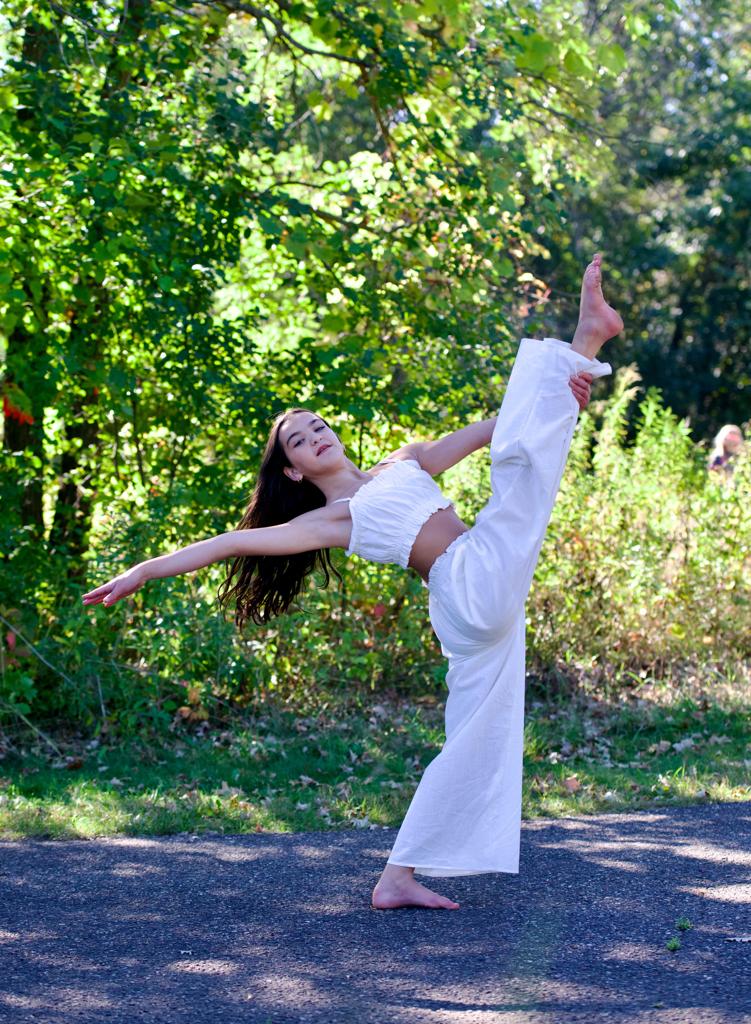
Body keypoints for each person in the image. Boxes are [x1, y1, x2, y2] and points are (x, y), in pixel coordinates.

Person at [83, 254, 623, 911]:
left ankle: (397, 877)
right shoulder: (331, 518)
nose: (315, 435)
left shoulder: (404, 460)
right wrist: (143, 570)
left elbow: (499, 429)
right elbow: (231, 543)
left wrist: (555, 402)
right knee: (519, 487)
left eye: (318, 425)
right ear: (292, 471)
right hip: (468, 581)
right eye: (299, 441)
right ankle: (585, 339)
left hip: (470, 599)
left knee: (477, 733)